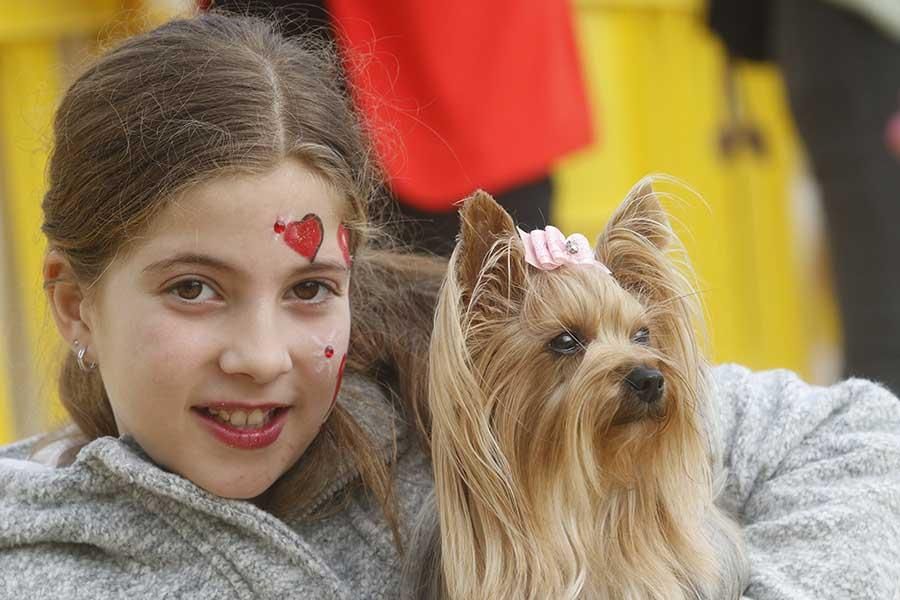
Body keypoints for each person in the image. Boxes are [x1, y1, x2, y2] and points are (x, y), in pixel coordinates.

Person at [0, 12, 899, 598]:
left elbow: (861, 436)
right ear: (75, 305)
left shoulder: (450, 417)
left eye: (311, 289)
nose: (264, 356)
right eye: (193, 290)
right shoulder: (46, 564)